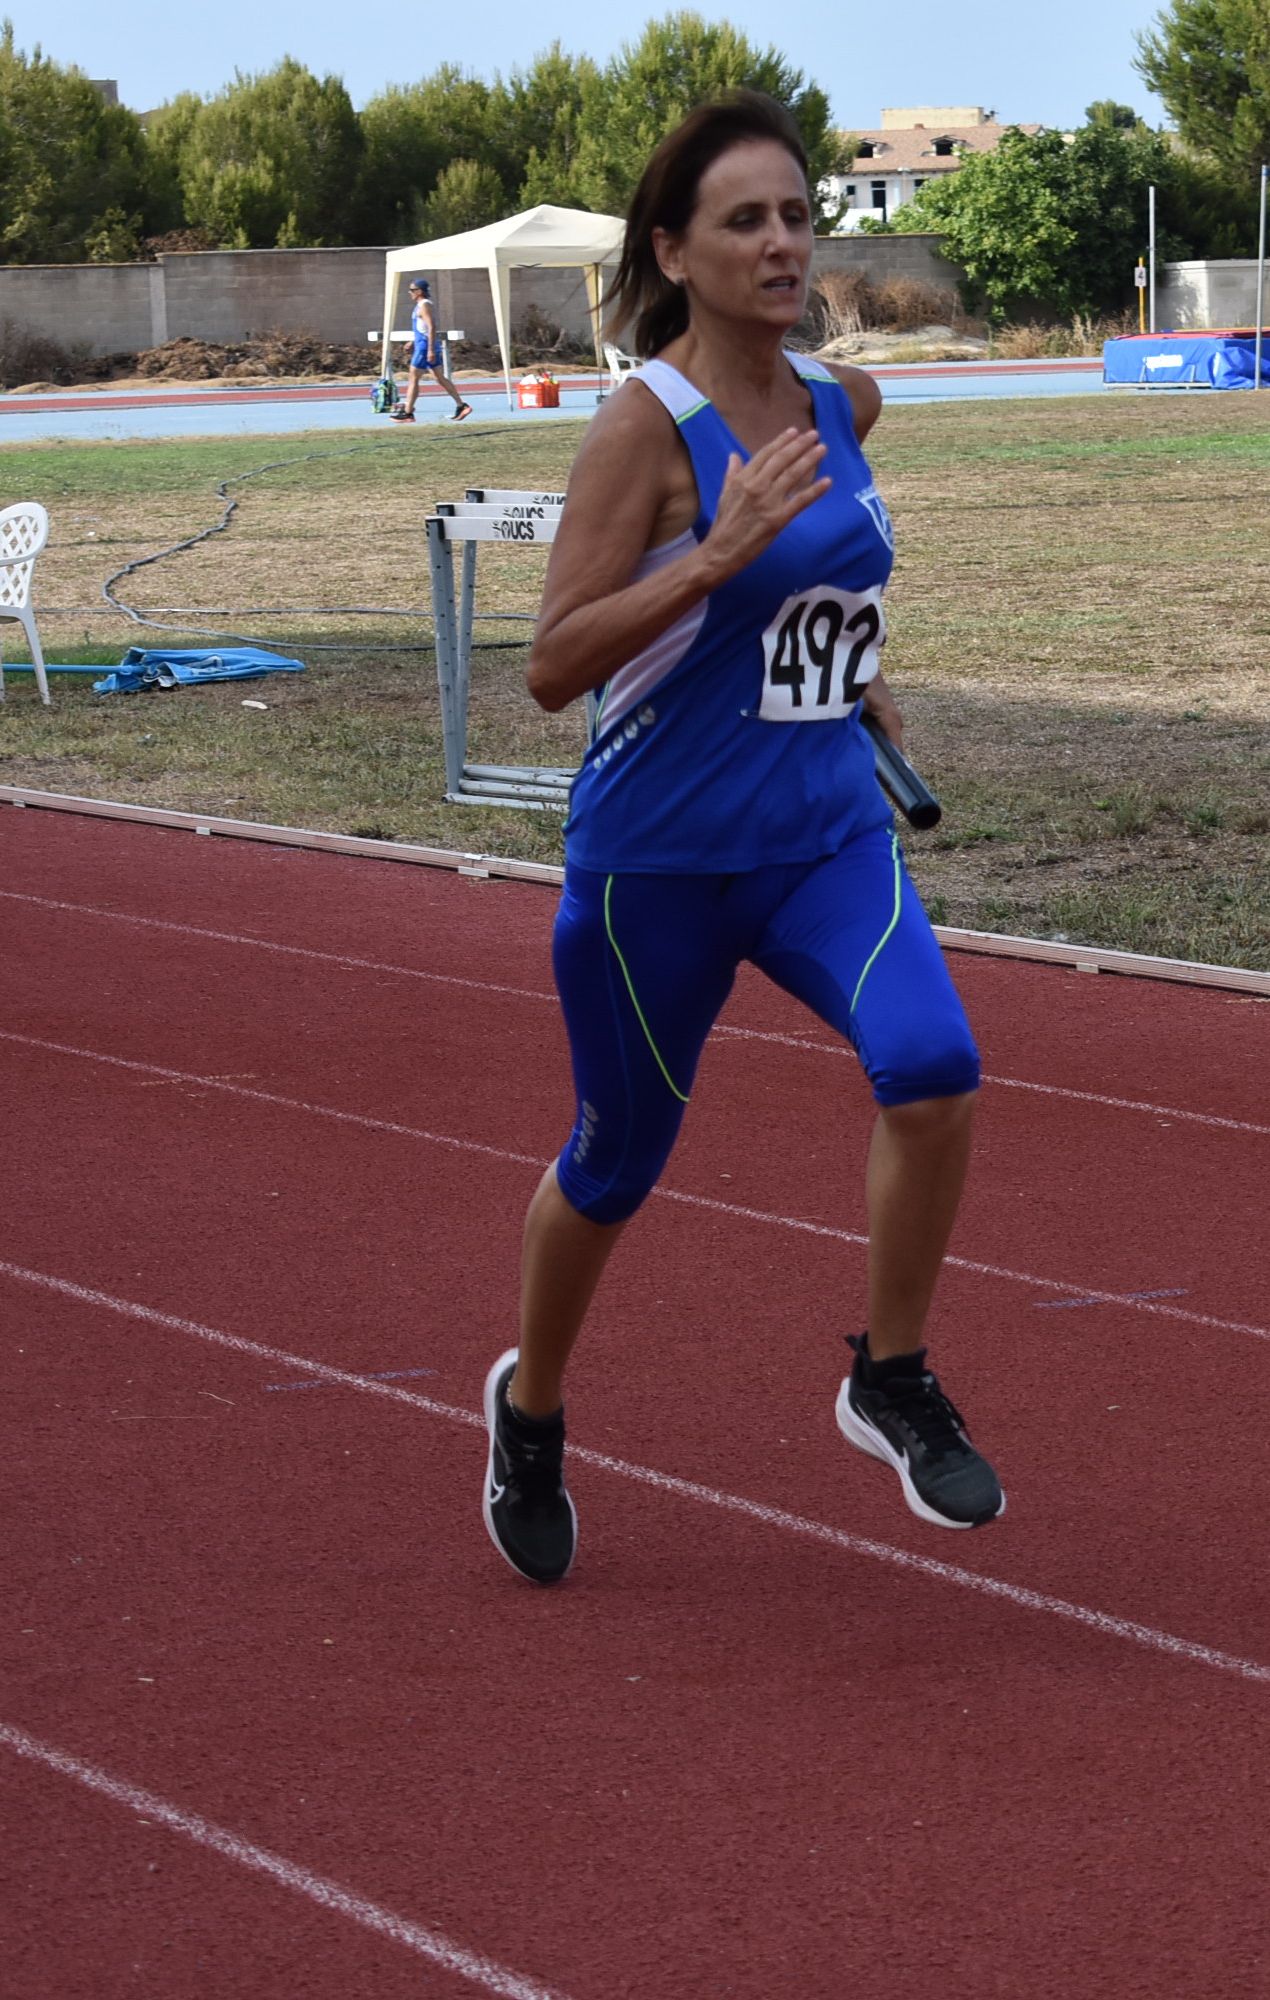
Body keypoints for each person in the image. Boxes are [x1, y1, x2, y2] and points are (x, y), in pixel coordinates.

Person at [479, 92, 996, 1585]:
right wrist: (715, 555)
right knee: (615, 1163)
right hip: (658, 865)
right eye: (744, 222)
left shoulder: (845, 405)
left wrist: (856, 660)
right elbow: (554, 663)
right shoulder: (642, 430)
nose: (782, 245)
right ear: (673, 252)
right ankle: (531, 1406)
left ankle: (888, 1375)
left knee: (934, 1067)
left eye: (795, 216)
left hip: (824, 837)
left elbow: (823, 584)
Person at [393, 278, 472, 422]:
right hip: (422, 344)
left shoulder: (425, 305)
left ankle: (408, 412)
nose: (410, 293)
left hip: (424, 347)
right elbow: (422, 328)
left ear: (419, 291)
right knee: (439, 378)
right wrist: (413, 341)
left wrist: (429, 350)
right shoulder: (420, 306)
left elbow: (431, 327)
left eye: (412, 290)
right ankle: (461, 406)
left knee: (413, 377)